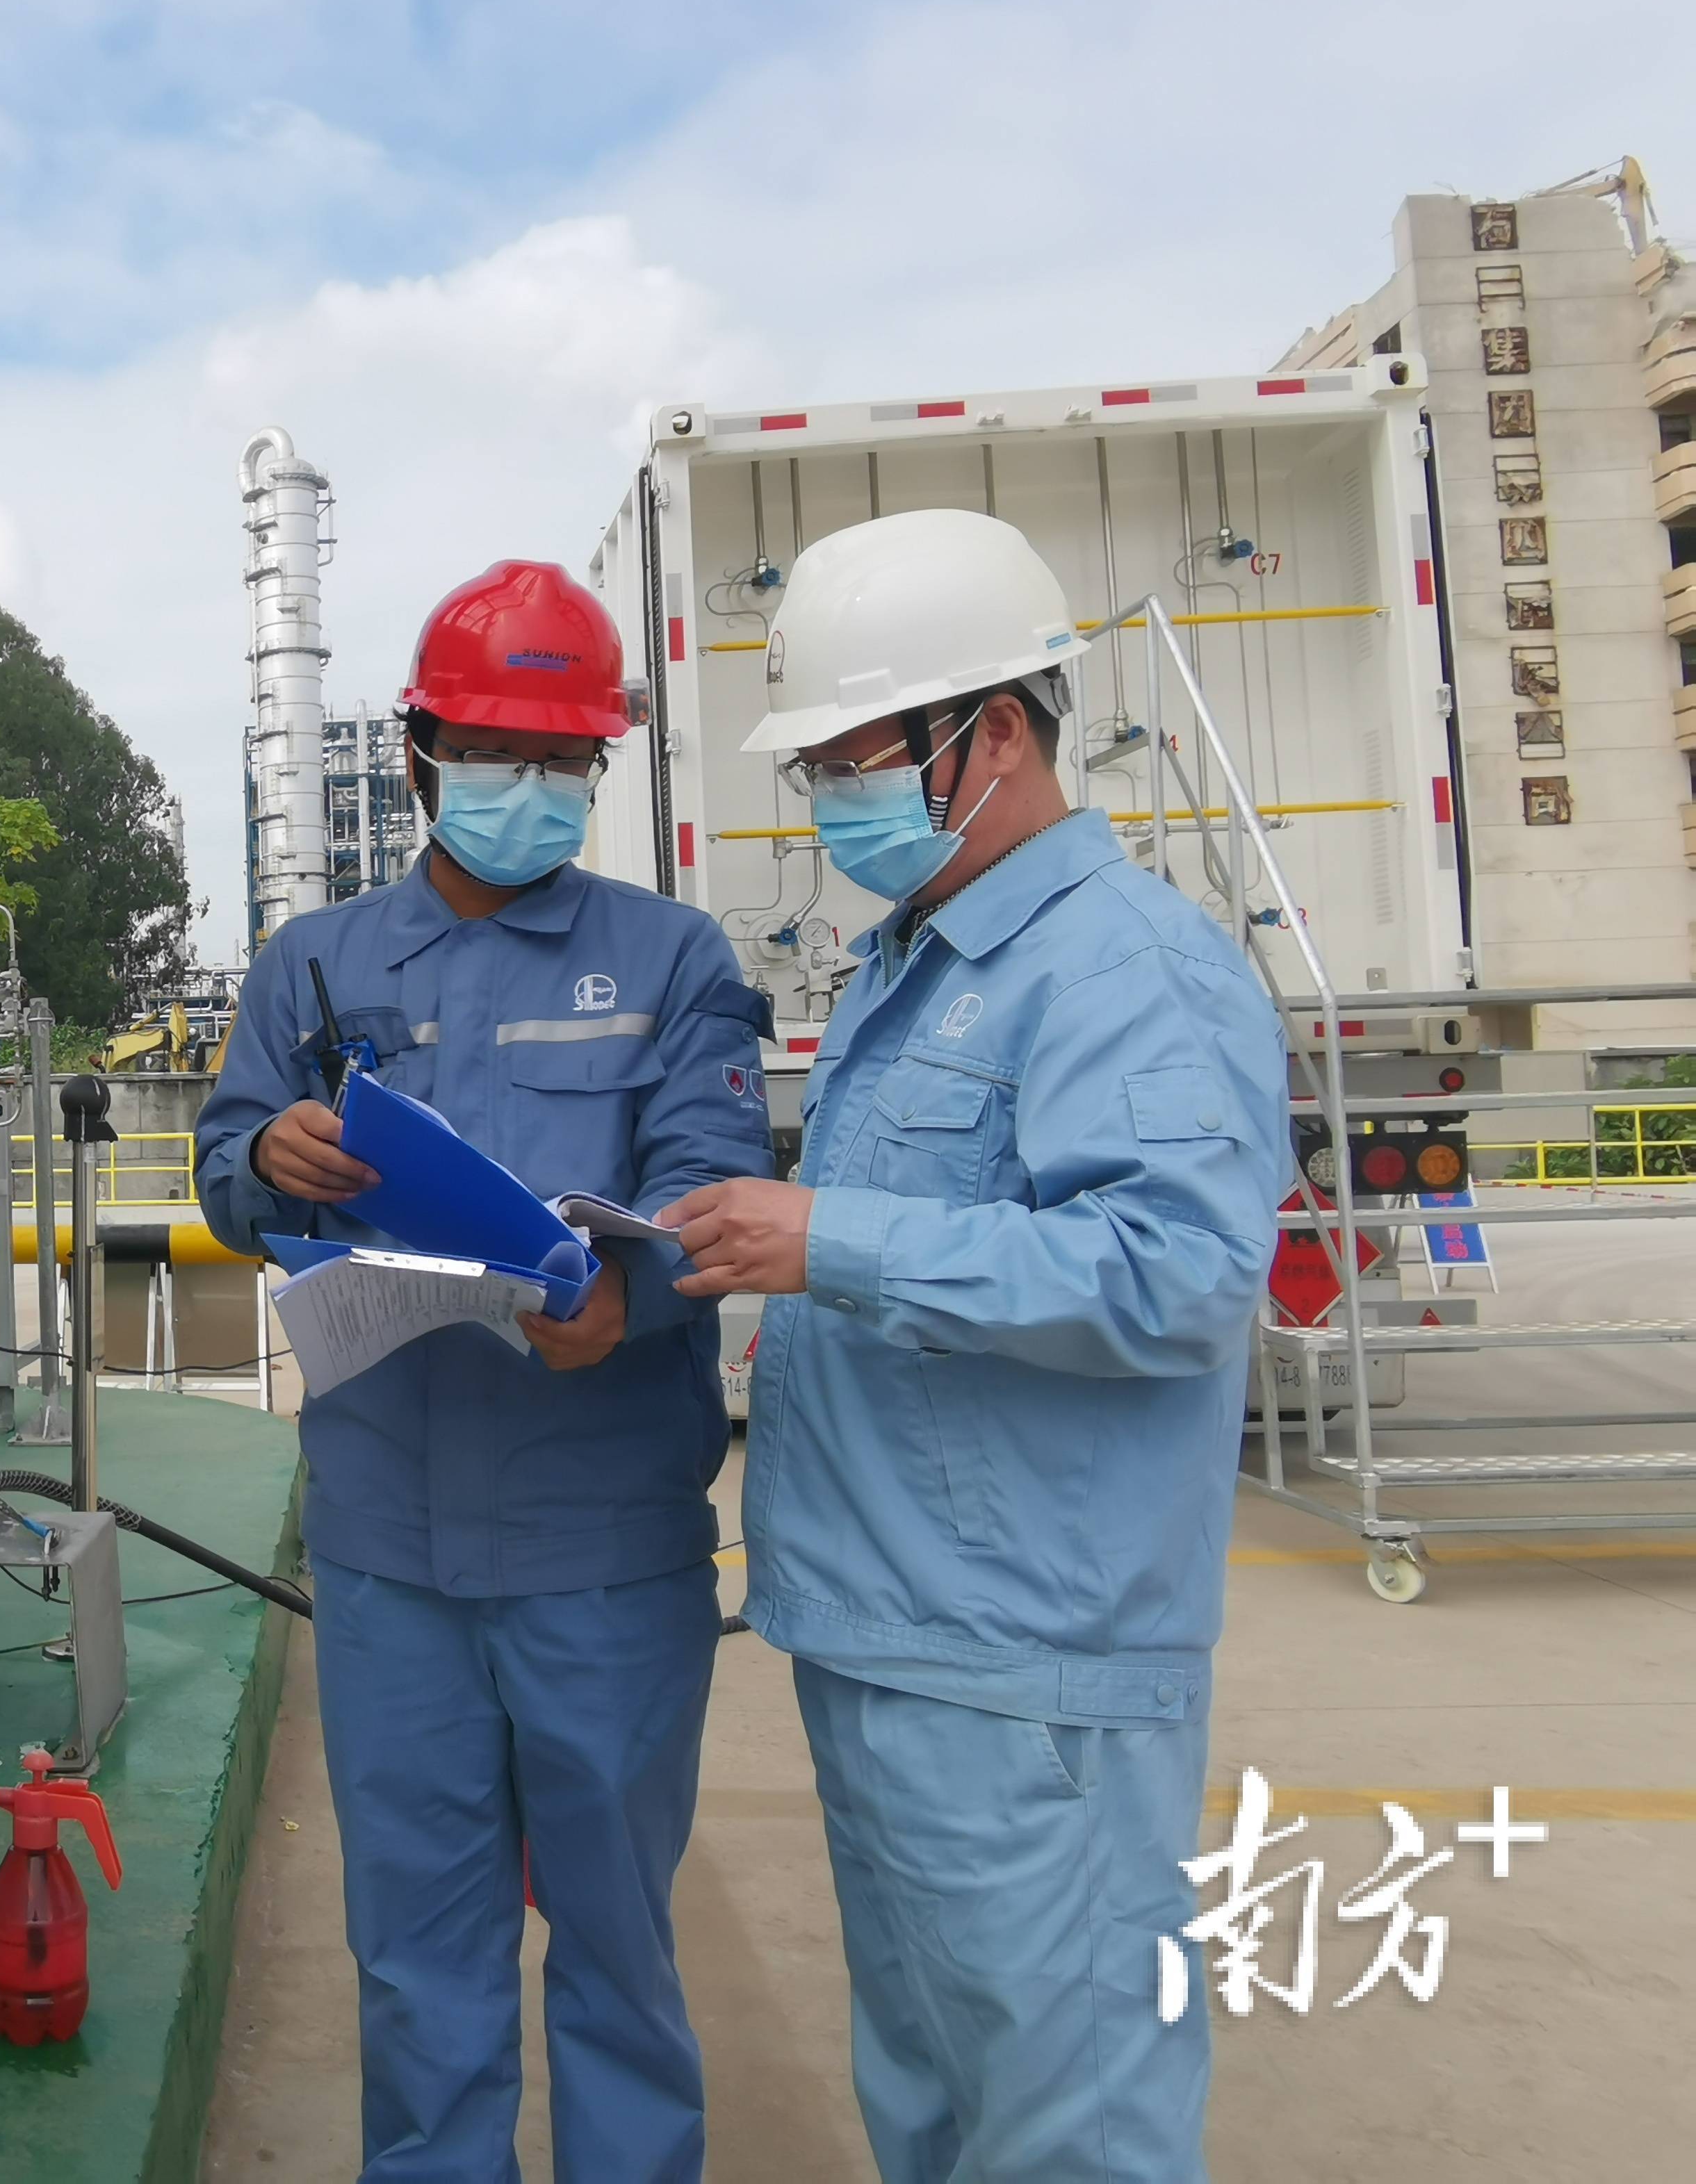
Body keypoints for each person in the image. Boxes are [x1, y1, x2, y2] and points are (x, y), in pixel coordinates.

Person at [657, 508, 1289, 2184]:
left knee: (1066, 2120)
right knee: (937, 2103)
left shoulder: (1128, 970)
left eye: (855, 759)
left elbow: (1174, 1274)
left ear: (992, 735)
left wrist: (828, 1239)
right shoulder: (913, 968)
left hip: (1032, 1675)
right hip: (890, 1636)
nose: (830, 805)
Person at [195, 559, 771, 2184]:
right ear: (421, 751)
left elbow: (710, 1175)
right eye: (501, 753)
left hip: (601, 1552)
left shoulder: (670, 959)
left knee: (615, 1952)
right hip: (392, 1554)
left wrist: (637, 1297)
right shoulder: (312, 965)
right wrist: (275, 1157)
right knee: (419, 1961)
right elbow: (228, 1165)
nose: (536, 789)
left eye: (566, 761)